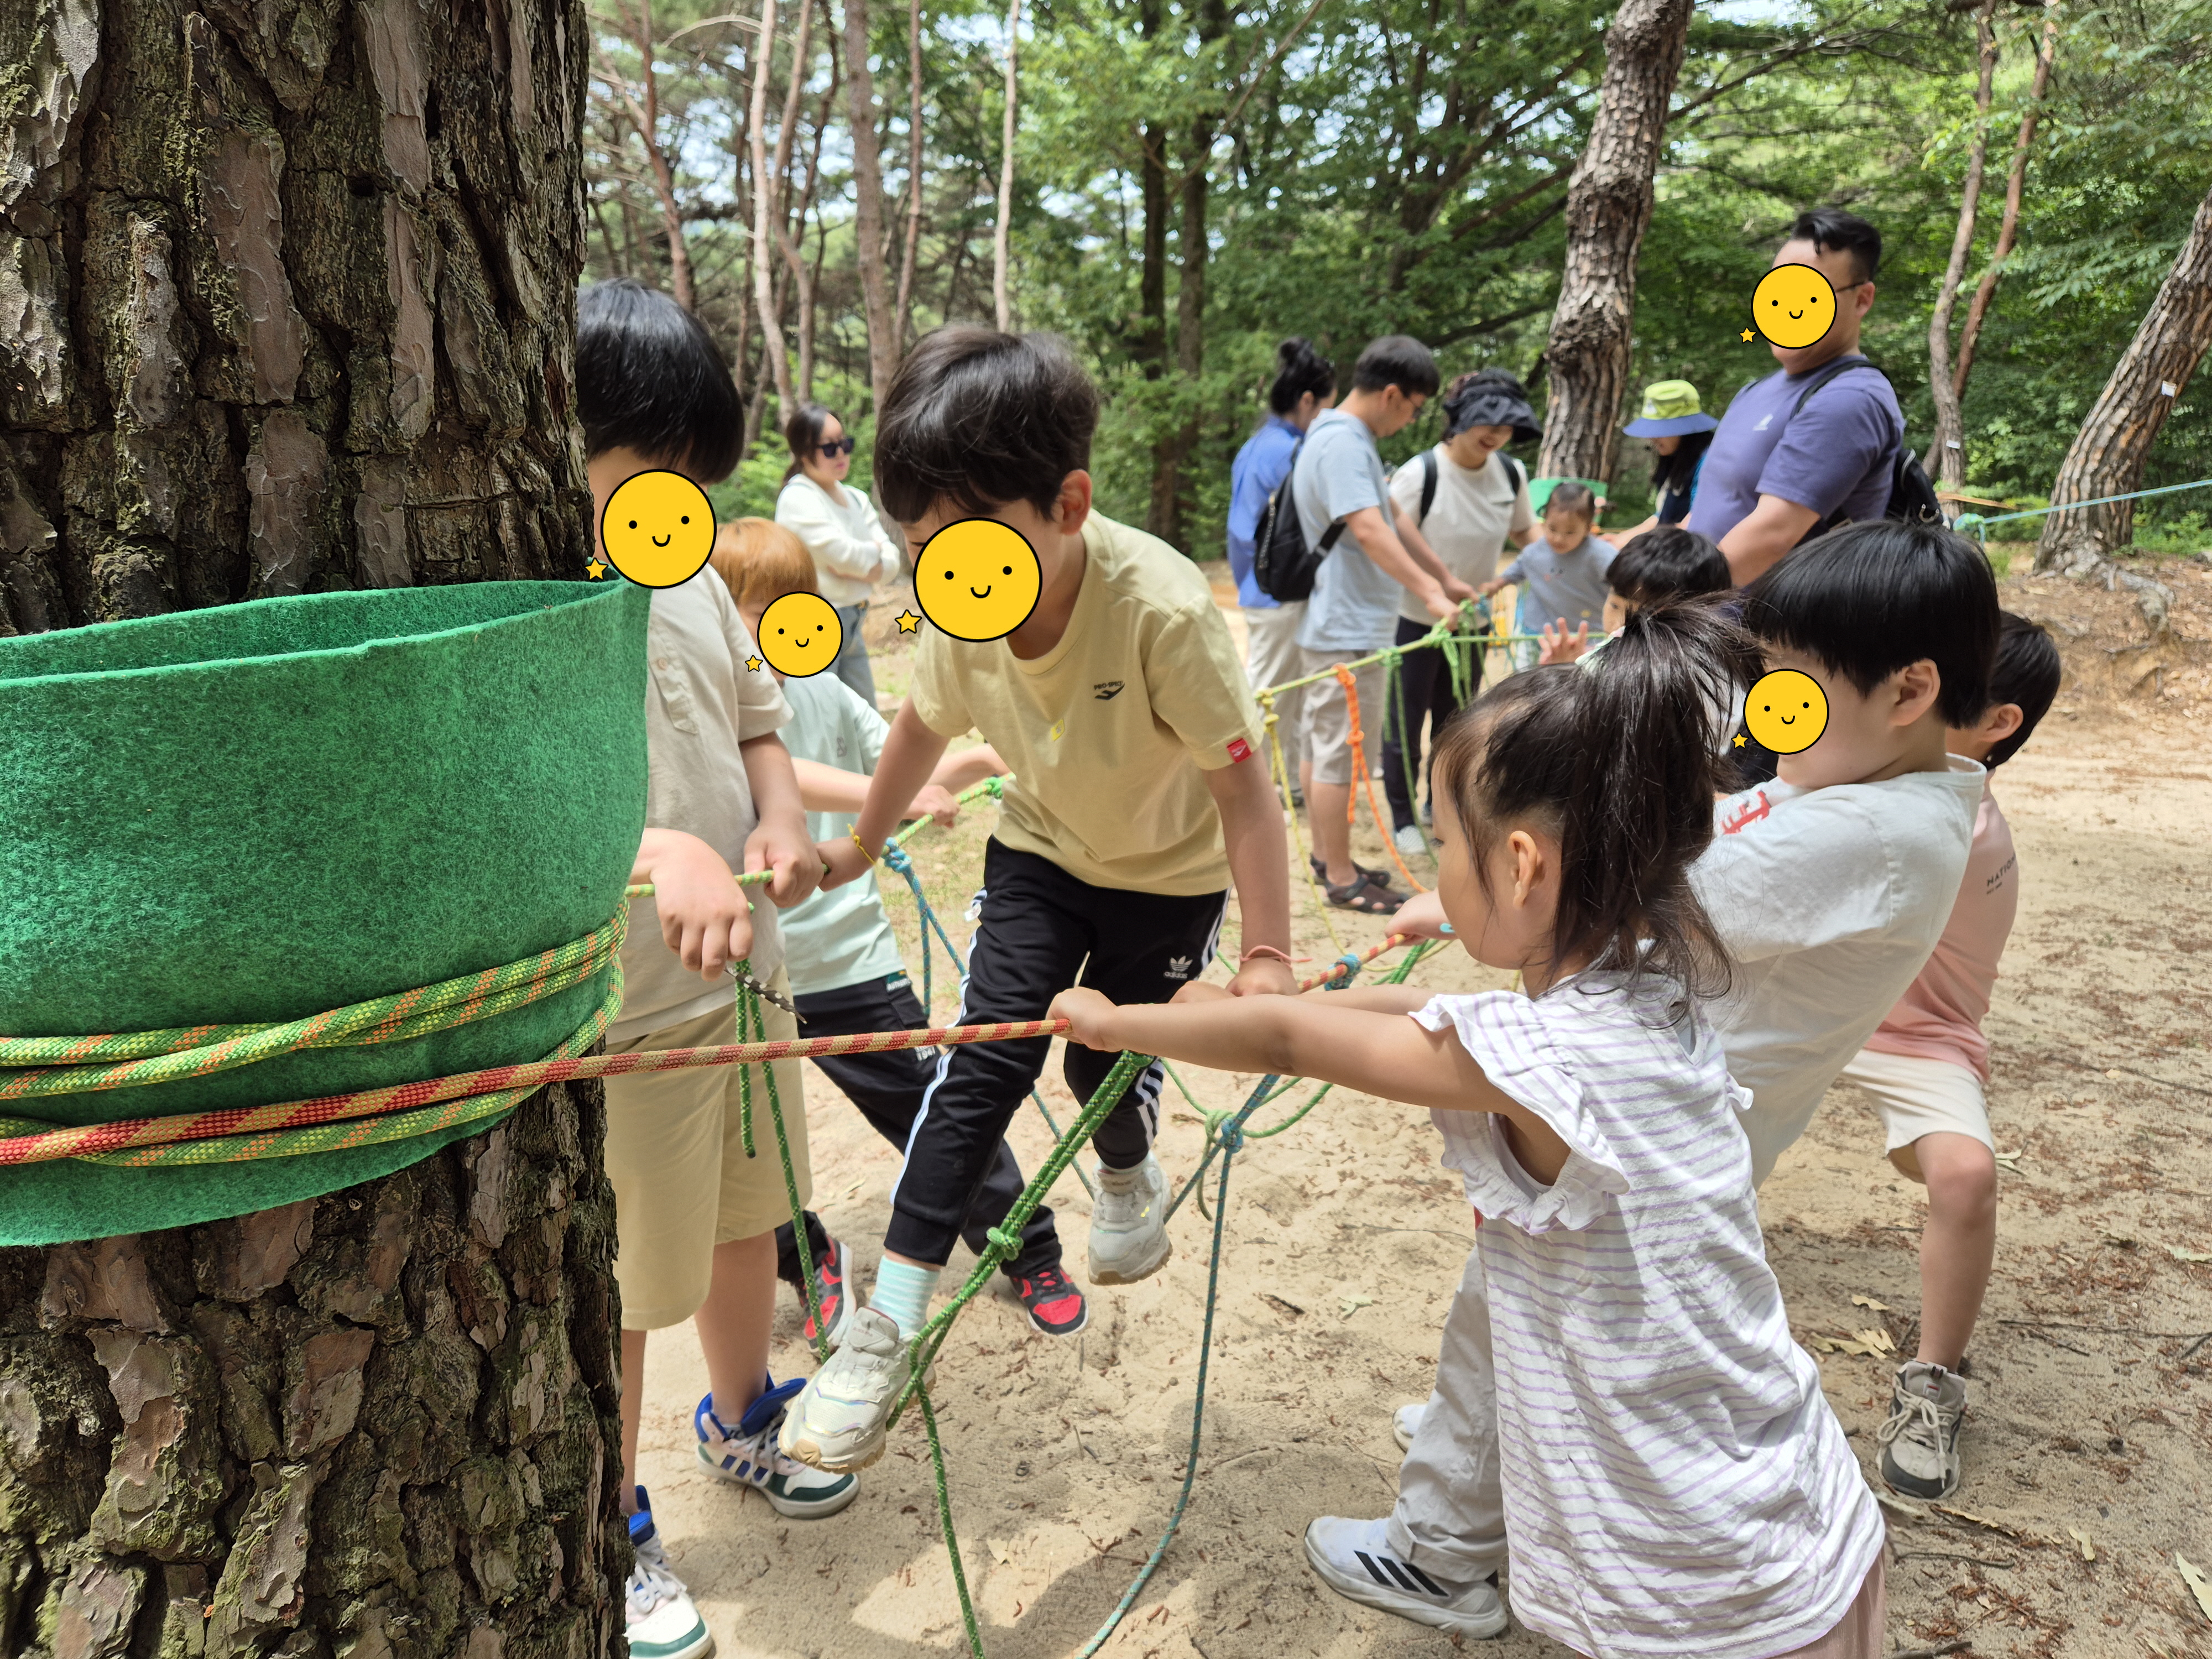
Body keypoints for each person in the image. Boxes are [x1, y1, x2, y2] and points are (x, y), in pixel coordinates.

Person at [1050, 602, 1889, 1658]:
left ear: (1528, 865)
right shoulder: (1656, 987)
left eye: (1447, 844)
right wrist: (1211, 1011)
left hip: (1698, 1564)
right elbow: (1417, 1018)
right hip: (1795, 1496)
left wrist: (1120, 1020)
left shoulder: (1554, 1064)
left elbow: (1294, 1045)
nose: (1440, 867)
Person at [1378, 523, 1997, 1573]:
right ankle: (1479, 1452)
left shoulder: (1879, 835)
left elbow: (1664, 891)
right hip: (1664, 1094)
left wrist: (1476, 898)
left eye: (1792, 692)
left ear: (1907, 693)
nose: (1768, 716)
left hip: (1657, 1116)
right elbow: (1717, 824)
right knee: (1520, 1300)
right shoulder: (1850, 782)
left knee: (1510, 1298)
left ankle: (1439, 1549)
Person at [778, 326, 1297, 1474]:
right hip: (1040, 852)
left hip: (1165, 878)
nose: (943, 578)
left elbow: (1248, 797)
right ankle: (889, 1327)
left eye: (967, 546)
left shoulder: (1159, 611)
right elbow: (919, 723)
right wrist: (860, 843)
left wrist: (1265, 956)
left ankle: (1126, 1168)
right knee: (980, 1061)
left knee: (1096, 1064)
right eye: (920, 549)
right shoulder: (961, 616)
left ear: (1068, 503)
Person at [577, 279, 855, 1659]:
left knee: (759, 1210)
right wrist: (654, 850)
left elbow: (757, 712)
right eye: (649, 469)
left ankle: (742, 1417)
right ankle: (610, 1520)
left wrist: (782, 819)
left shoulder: (683, 563)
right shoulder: (542, 576)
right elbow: (518, 787)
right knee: (631, 1278)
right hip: (631, 997)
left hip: (750, 970)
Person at [706, 518, 1089, 1344]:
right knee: (739, 1148)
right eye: (753, 607)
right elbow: (769, 767)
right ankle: (807, 1259)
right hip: (737, 976)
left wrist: (980, 762)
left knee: (937, 1111)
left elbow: (900, 767)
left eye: (793, 604)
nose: (777, 625)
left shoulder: (823, 693)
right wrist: (899, 795)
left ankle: (1027, 1247)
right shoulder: (698, 711)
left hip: (846, 962)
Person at [1841, 612, 2061, 1501]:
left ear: (1996, 722)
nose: (1901, 689)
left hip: (1916, 1035)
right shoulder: (1883, 772)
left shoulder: (1951, 819)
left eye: (1929, 682)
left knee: (1966, 1178)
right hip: (1818, 1009)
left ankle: (1933, 1381)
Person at [1292, 335, 1475, 914]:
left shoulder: (1346, 439)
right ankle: (1341, 875)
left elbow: (1395, 518)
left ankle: (1329, 856)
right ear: (1392, 394)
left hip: (1341, 620)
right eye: (1415, 408)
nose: (1412, 419)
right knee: (1339, 751)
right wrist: (1428, 593)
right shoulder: (1343, 442)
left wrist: (1442, 578)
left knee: (1325, 741)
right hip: (1344, 625)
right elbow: (1369, 529)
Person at [1688, 210, 1903, 586]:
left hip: (1758, 637)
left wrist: (1665, 607)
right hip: (1702, 626)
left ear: (1862, 299)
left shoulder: (1850, 399)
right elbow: (1714, 507)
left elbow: (1771, 536)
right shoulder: (1755, 391)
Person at [1378, 369, 1540, 862]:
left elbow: (1527, 536)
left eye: (1507, 426)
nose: (1494, 434)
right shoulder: (1420, 473)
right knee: (1404, 724)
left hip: (1472, 625)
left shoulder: (1511, 474)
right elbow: (1385, 539)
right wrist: (1430, 592)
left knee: (1455, 722)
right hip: (1413, 622)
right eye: (1485, 422)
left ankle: (1437, 804)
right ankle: (1403, 817)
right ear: (1458, 420)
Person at [1227, 339, 1338, 805]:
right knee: (1270, 693)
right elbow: (1250, 529)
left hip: (1265, 588)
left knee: (1284, 692)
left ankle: (1286, 784)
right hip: (1278, 591)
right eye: (1326, 408)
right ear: (1308, 401)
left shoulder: (1260, 445)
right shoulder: (1290, 451)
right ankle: (1251, 787)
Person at [776, 403, 901, 706]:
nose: (842, 454)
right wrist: (873, 555)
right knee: (818, 721)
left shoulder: (856, 499)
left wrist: (864, 563)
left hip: (855, 619)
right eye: (830, 448)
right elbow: (845, 555)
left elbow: (893, 562)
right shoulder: (798, 498)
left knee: (864, 717)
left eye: (845, 444)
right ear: (804, 452)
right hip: (814, 625)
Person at [1479, 482, 1614, 672]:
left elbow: (1626, 582)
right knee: (1529, 680)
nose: (1559, 538)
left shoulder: (1601, 556)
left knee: (1579, 686)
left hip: (1586, 637)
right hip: (1537, 634)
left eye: (1570, 532)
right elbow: (1519, 568)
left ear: (1589, 528)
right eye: (1552, 529)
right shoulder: (1536, 551)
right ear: (1543, 521)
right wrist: (1496, 585)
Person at [1613, 380, 1719, 538]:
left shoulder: (1709, 463)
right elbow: (1663, 516)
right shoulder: (1676, 457)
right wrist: (1622, 539)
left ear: (1685, 429)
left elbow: (1697, 524)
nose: (1652, 438)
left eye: (1660, 429)